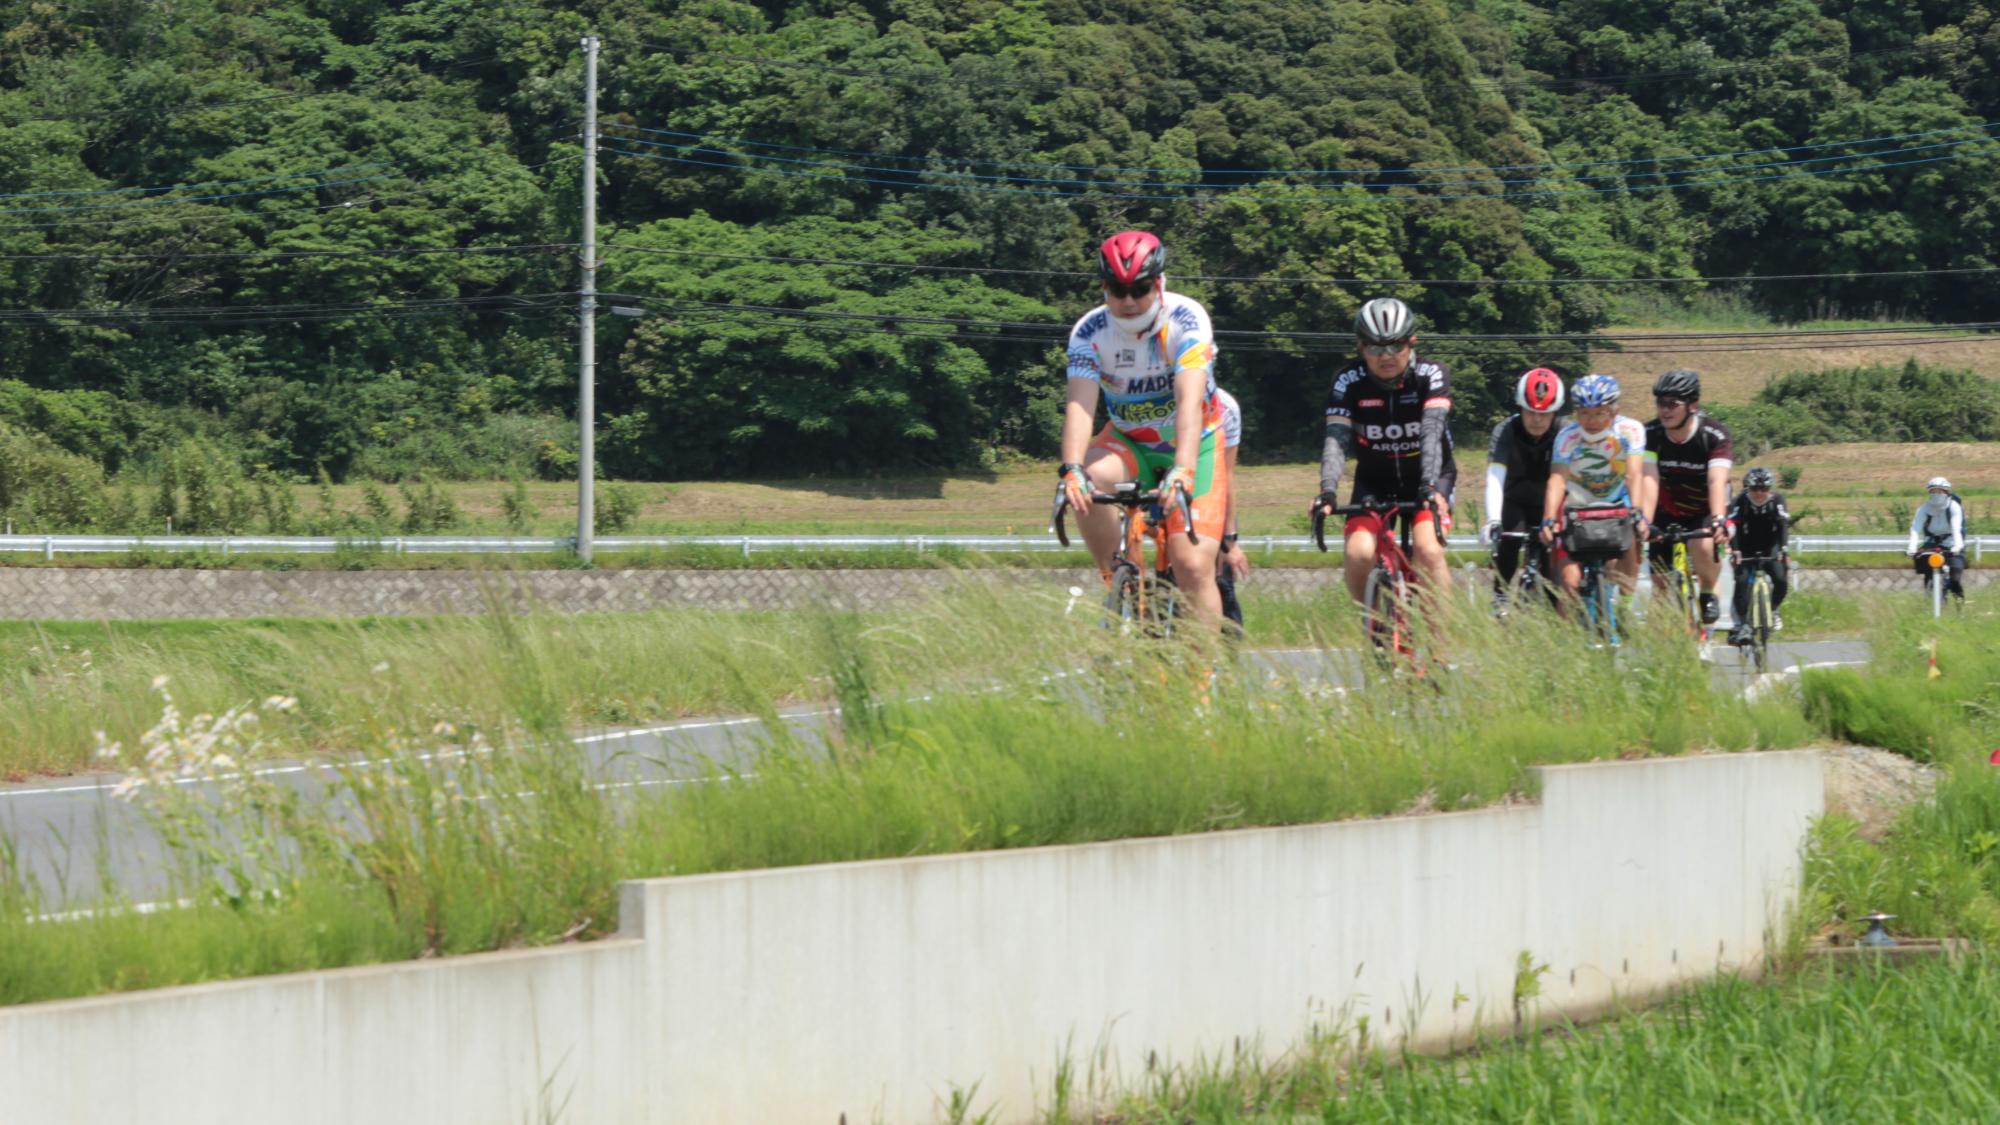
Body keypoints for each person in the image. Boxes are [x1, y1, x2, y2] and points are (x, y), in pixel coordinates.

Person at [1059, 230, 1226, 625]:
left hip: (1194, 441)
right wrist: (1071, 469)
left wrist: (1183, 468)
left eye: (1140, 288)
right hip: (1129, 440)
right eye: (1118, 290)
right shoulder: (1089, 332)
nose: (1129, 300)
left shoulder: (1186, 319)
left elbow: (1188, 402)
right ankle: (1118, 583)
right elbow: (1081, 406)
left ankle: (1205, 679)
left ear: (1159, 283)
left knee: (1192, 566)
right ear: (1104, 288)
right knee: (1090, 480)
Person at [1311, 297, 1455, 606]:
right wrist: (1327, 490)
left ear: (1411, 342)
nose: (1386, 356)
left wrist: (1430, 487)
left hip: (1426, 477)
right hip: (1374, 479)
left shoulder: (1431, 375)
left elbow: (1431, 434)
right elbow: (1336, 439)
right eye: (1375, 347)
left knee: (1427, 551)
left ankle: (1441, 647)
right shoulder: (1348, 381)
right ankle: (1376, 625)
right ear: (1361, 347)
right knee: (1358, 552)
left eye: (1396, 346)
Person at [1539, 374, 1650, 600]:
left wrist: (1638, 512)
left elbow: (1634, 474)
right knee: (1570, 583)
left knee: (1632, 540)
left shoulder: (1631, 430)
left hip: (1617, 500)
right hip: (1578, 504)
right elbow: (1557, 479)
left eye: (1599, 413)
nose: (1591, 421)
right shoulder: (1567, 437)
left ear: (1614, 412)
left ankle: (1624, 605)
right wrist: (1549, 518)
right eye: (1584, 413)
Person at [1643, 369, 1733, 625]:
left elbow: (1717, 480)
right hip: (1665, 509)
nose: (1665, 410)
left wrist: (1717, 519)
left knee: (1704, 546)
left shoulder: (1714, 435)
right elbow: (1649, 479)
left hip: (1703, 508)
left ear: (1693, 405)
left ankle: (1707, 593)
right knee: (1660, 582)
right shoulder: (1649, 434)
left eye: (1673, 404)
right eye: (1661, 403)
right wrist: (1644, 521)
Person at [1484, 368, 1564, 612]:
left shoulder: (1566, 431)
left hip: (1551, 502)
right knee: (1508, 542)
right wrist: (1493, 519)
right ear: (1520, 407)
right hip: (1515, 500)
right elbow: (1495, 476)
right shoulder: (1506, 430)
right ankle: (1500, 596)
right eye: (1530, 411)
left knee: (1552, 567)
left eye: (1545, 413)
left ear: (1556, 412)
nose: (1537, 419)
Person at [1726, 466, 1791, 645]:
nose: (1760, 493)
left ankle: (1774, 609)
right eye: (1755, 489)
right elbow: (1733, 527)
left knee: (1781, 579)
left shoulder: (1777, 500)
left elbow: (1783, 525)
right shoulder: (1740, 501)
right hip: (1745, 548)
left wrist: (1784, 549)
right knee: (1741, 582)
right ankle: (1741, 624)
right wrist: (1736, 551)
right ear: (1748, 488)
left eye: (1764, 489)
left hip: (1771, 547)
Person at [1213, 387, 1249, 631]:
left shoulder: (1226, 406)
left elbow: (1226, 477)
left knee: (1219, 579)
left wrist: (1230, 541)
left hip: (1207, 495)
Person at [1906, 476, 1968, 604]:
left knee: (1955, 579)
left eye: (1940, 491)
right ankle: (1931, 602)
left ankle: (1960, 604)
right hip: (1932, 544)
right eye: (1933, 491)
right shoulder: (1924, 509)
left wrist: (1957, 547)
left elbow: (1957, 528)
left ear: (1947, 492)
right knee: (1929, 576)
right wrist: (1912, 548)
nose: (1936, 495)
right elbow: (1915, 528)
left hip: (1952, 543)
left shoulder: (1954, 507)